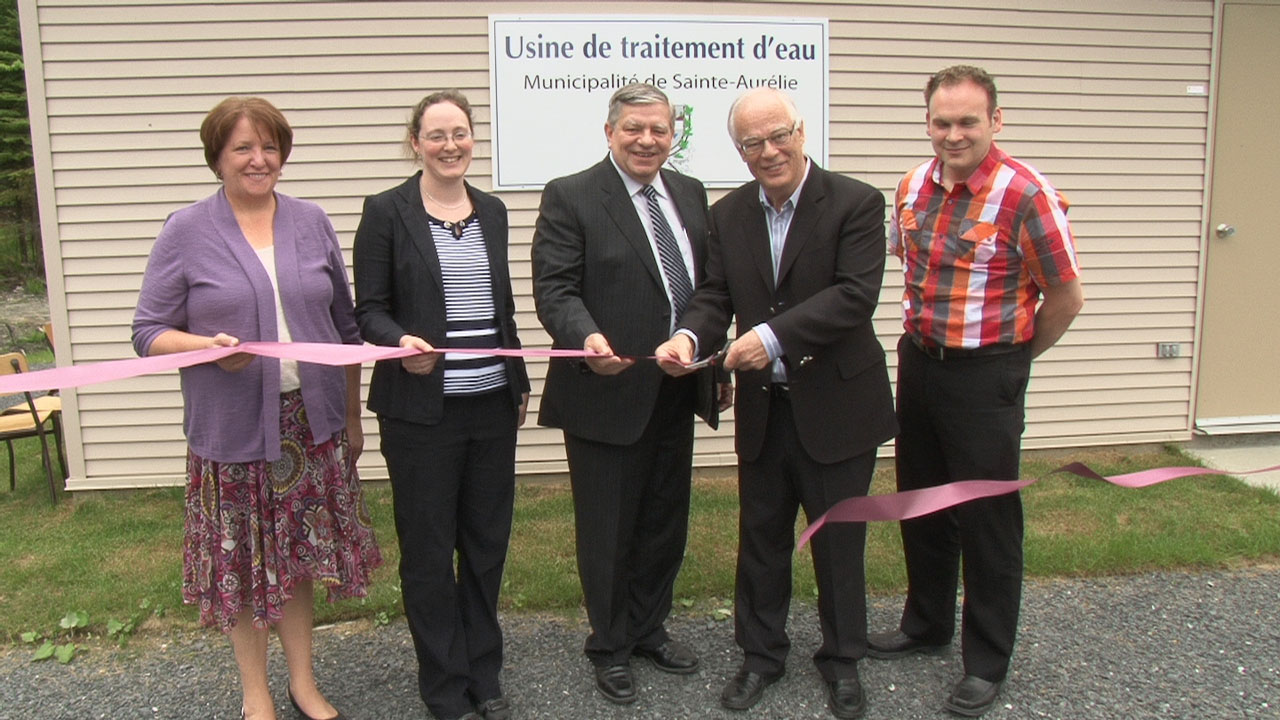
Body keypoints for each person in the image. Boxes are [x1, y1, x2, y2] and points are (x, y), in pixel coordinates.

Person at [132, 97, 382, 720]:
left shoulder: (311, 220)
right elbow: (148, 330)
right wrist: (206, 350)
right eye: (243, 147)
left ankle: (303, 683)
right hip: (233, 431)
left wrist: (351, 418)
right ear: (217, 156)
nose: (258, 159)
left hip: (310, 425)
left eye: (269, 147)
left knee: (297, 560)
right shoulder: (185, 229)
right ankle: (256, 695)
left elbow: (343, 329)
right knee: (244, 567)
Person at [655, 87, 897, 719]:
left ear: (801, 131)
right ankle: (760, 657)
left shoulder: (857, 202)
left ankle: (843, 661)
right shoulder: (728, 214)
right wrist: (689, 334)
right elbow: (714, 294)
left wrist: (767, 338)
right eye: (752, 143)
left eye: (778, 135)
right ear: (739, 150)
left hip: (839, 406)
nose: (769, 152)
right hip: (766, 410)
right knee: (761, 538)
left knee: (839, 542)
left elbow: (853, 298)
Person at [867, 65, 1084, 718]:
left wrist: (1014, 361)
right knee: (924, 503)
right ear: (927, 122)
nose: (953, 134)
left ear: (996, 121)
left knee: (988, 521)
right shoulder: (911, 187)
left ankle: (986, 661)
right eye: (941, 121)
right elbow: (912, 270)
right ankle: (926, 624)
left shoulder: (1026, 195)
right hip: (921, 364)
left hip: (987, 372)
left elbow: (1066, 297)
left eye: (967, 121)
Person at [531, 82, 726, 706]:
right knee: (608, 528)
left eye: (660, 130)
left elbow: (710, 287)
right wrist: (587, 338)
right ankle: (609, 644)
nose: (647, 140)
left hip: (676, 386)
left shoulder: (692, 195)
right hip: (605, 390)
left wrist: (694, 339)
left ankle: (649, 629)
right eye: (634, 129)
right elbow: (556, 288)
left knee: (665, 521)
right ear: (609, 131)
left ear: (674, 135)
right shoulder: (573, 195)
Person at [352, 90, 530, 720]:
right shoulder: (386, 211)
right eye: (437, 135)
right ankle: (445, 686)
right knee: (428, 553)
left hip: (490, 406)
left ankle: (485, 672)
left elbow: (501, 307)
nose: (450, 145)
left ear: (472, 140)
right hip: (421, 413)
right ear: (415, 142)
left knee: (486, 545)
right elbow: (366, 308)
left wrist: (519, 385)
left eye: (461, 133)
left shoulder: (494, 211)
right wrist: (398, 342)